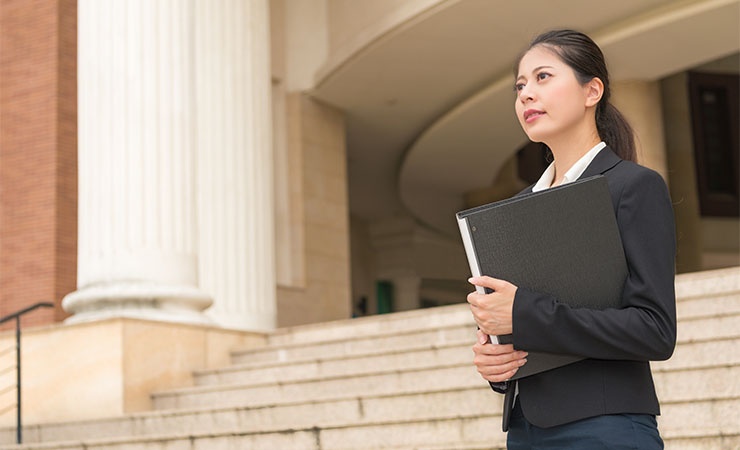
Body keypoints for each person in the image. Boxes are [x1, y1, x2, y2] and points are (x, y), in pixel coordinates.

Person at [467, 29, 676, 450]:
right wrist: (496, 360)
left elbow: (654, 330)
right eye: (520, 86)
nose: (526, 94)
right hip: (526, 430)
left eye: (543, 77)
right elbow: (521, 327)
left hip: (606, 427)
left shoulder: (633, 186)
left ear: (591, 90)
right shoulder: (517, 208)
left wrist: (524, 312)